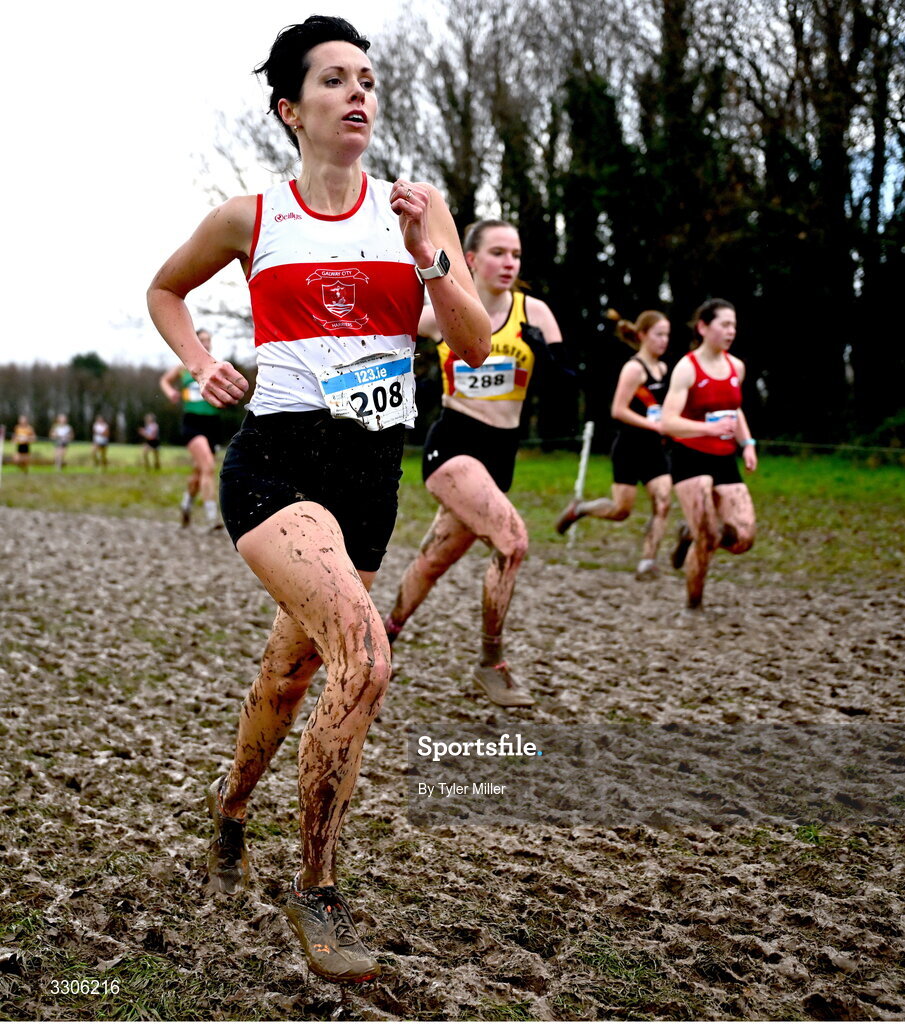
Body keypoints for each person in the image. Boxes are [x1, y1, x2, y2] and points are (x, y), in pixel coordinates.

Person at [146, 15, 489, 985]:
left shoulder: (415, 210)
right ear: (292, 108)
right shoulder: (250, 217)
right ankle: (319, 893)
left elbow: (472, 341)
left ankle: (229, 805)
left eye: (368, 79)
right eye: (335, 79)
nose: (359, 94)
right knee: (365, 654)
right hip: (277, 467)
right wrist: (204, 360)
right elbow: (165, 291)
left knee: (294, 675)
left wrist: (432, 249)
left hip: (368, 477)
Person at [384, 219, 564, 709]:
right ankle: (492, 663)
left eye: (516, 255)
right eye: (498, 253)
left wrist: (544, 354)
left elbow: (564, 389)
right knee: (512, 541)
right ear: (470, 259)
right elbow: (378, 326)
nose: (509, 263)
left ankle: (384, 633)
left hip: (501, 456)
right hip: (454, 448)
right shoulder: (442, 312)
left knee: (434, 559)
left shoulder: (538, 313)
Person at [555, 311, 673, 579]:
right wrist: (652, 424)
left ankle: (648, 562)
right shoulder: (634, 369)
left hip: (655, 448)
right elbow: (618, 410)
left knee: (663, 503)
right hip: (629, 447)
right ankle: (580, 509)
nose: (664, 341)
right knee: (621, 511)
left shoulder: (664, 369)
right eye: (659, 335)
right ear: (642, 335)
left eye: (667, 335)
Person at [660, 298, 757, 610]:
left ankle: (691, 531)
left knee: (744, 538)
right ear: (703, 327)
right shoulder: (687, 368)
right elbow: (667, 421)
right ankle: (694, 604)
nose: (731, 331)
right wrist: (707, 430)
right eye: (724, 324)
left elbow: (735, 409)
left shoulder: (736, 367)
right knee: (709, 539)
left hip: (725, 457)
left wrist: (748, 444)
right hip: (690, 456)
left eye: (734, 326)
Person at [159, 329, 224, 528]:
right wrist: (170, 392)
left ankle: (186, 504)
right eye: (201, 340)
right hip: (192, 423)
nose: (205, 343)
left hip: (212, 423)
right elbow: (164, 380)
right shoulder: (184, 367)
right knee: (208, 467)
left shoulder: (217, 367)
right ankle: (212, 517)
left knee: (199, 472)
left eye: (208, 340)